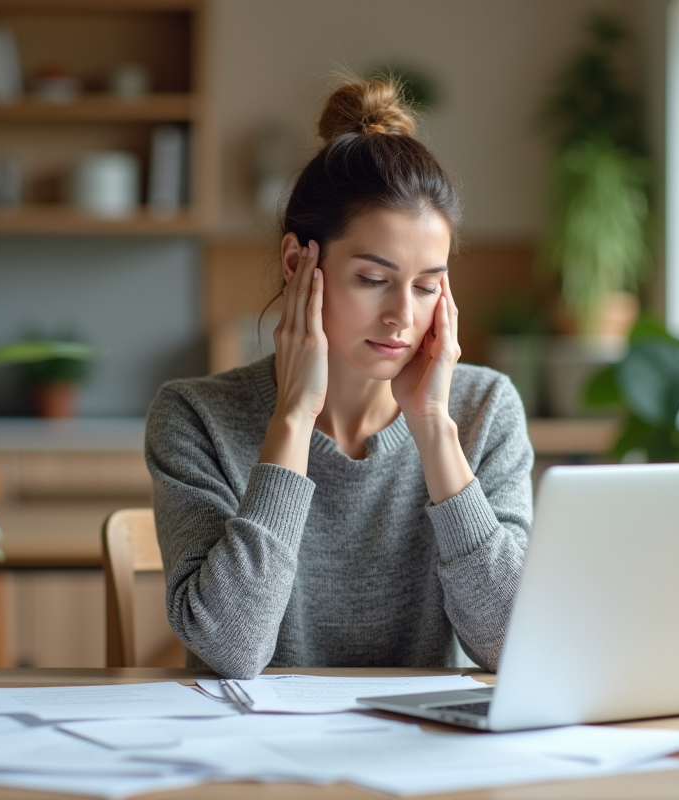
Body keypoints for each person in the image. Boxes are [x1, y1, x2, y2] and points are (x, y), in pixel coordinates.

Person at [145, 77, 533, 680]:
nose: (403, 316)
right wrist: (293, 420)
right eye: (373, 278)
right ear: (301, 262)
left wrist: (433, 428)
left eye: (427, 286)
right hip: (251, 761)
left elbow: (516, 646)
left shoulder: (485, 409)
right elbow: (230, 650)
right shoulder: (195, 418)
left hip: (424, 761)